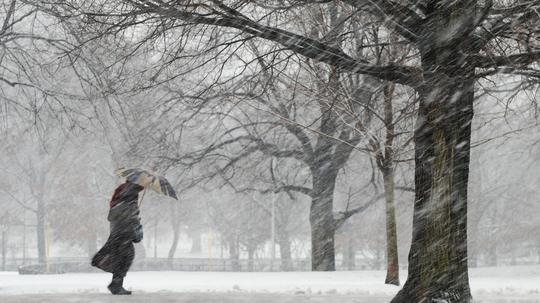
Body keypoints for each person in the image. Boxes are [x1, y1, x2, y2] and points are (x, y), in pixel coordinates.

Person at [91, 181, 144, 295]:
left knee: (122, 258)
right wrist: (135, 218)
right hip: (123, 234)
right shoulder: (129, 202)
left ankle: (116, 284)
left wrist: (134, 215)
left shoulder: (119, 203)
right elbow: (130, 219)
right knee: (125, 258)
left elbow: (114, 217)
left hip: (118, 233)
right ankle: (116, 284)